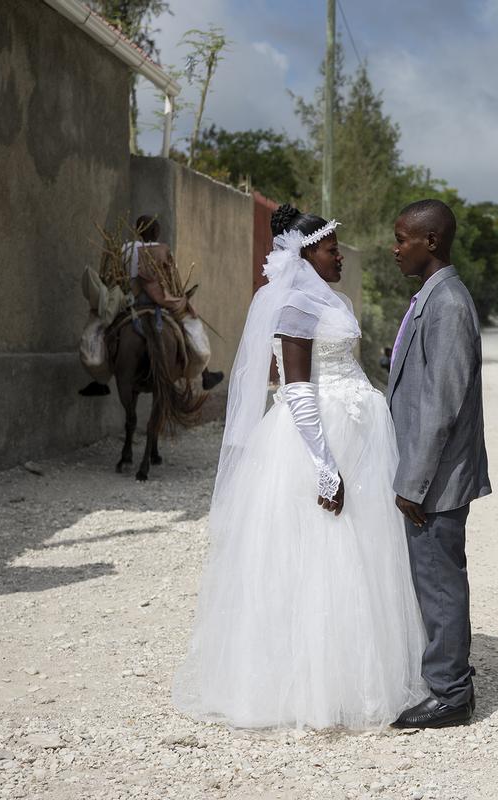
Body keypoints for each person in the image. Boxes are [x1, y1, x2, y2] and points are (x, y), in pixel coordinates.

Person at [172, 204, 427, 729]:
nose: (339, 258)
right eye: (332, 250)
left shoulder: (333, 299)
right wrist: (324, 465)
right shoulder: (292, 307)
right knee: (319, 553)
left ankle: (359, 672)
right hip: (320, 440)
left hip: (359, 434)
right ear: (308, 254)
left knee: (365, 551)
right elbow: (298, 391)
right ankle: (308, 688)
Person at [386, 199, 491, 729]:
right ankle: (450, 679)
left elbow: (442, 402)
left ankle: (450, 693)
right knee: (434, 578)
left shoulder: (447, 302)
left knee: (440, 579)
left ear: (430, 242)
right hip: (433, 474)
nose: (395, 247)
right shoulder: (431, 297)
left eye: (403, 238)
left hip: (437, 480)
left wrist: (413, 482)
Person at [79, 216, 223, 396]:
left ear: (138, 231)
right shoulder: (163, 250)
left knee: (98, 327)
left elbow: (116, 277)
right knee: (192, 324)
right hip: (162, 302)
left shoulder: (125, 249)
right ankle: (205, 374)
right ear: (157, 233)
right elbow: (172, 282)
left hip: (127, 303)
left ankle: (99, 380)